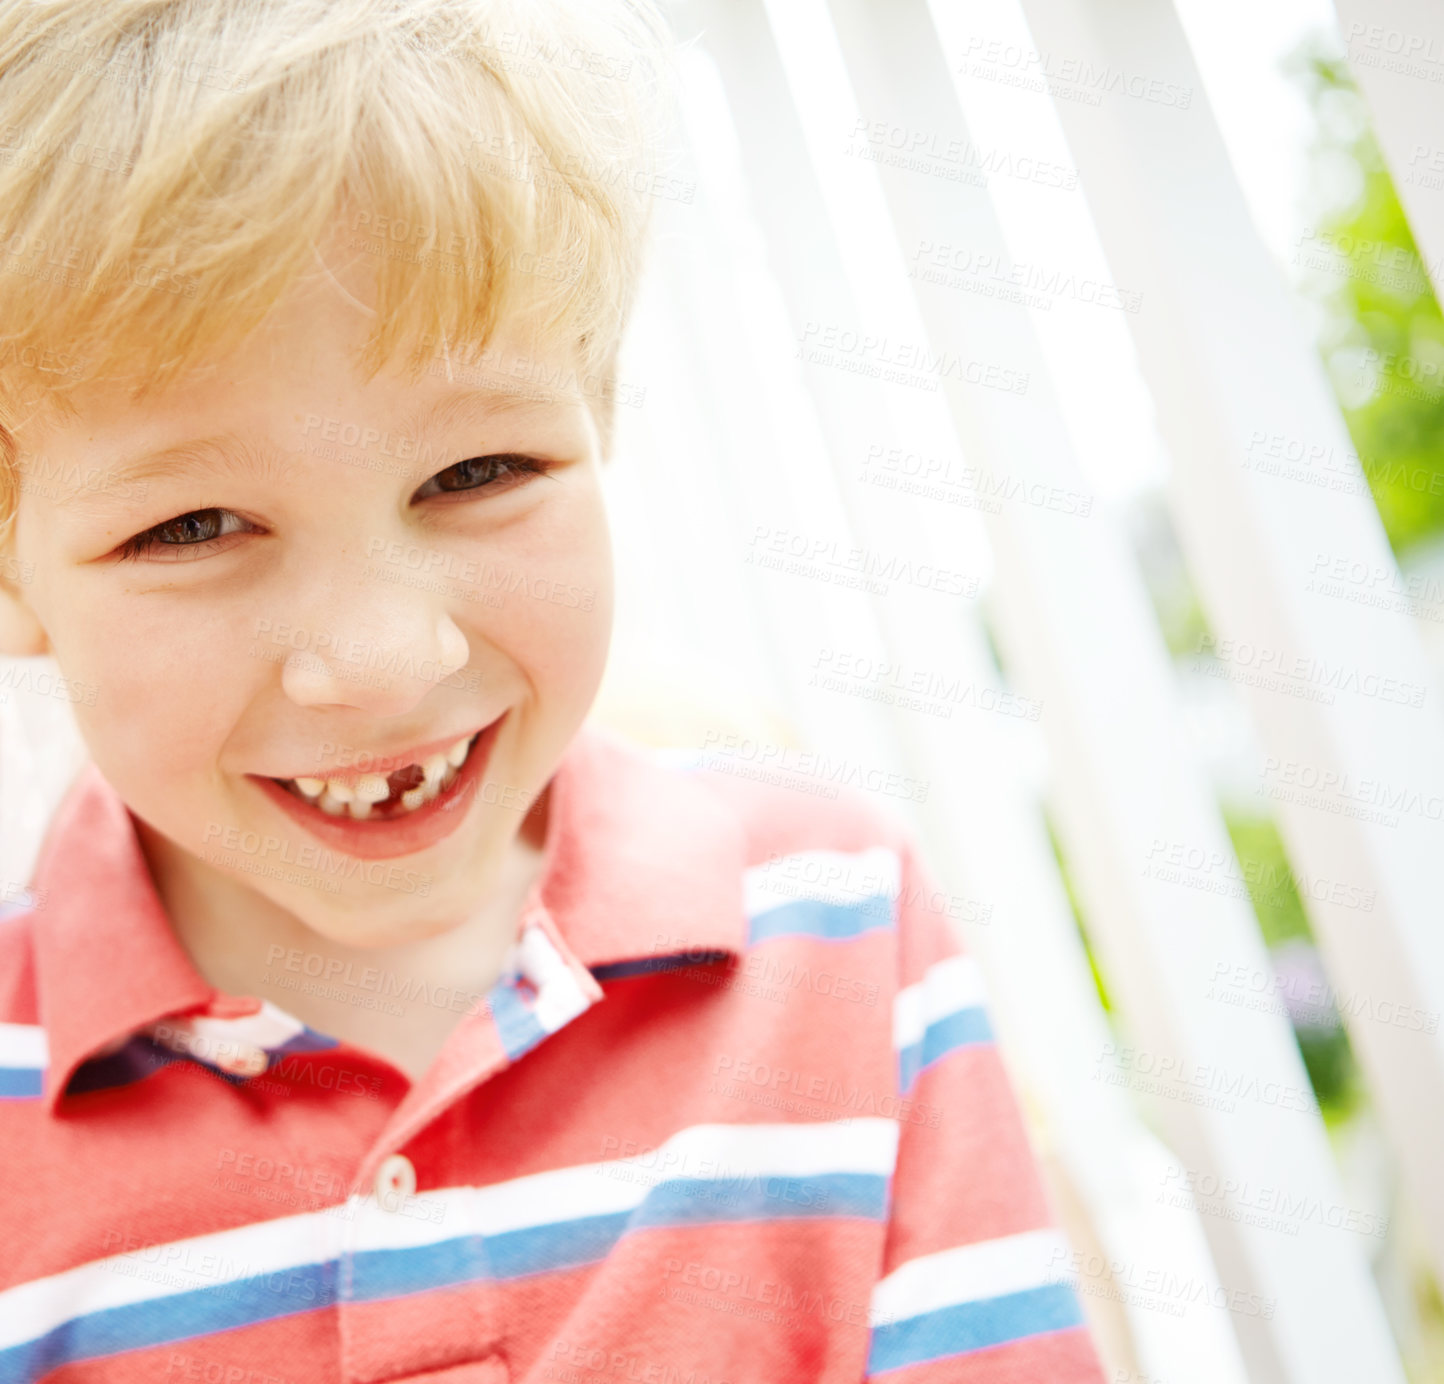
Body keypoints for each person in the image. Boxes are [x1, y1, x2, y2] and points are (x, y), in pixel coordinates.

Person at [0, 1, 1107, 1379]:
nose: (386, 658)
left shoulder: (837, 921)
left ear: (600, 413)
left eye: (477, 473)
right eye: (194, 527)